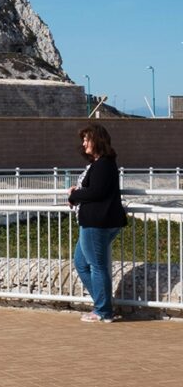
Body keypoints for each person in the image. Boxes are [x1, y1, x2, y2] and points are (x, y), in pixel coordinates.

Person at [67, 123, 127, 323]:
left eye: (87, 139)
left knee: (97, 266)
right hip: (95, 221)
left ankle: (103, 311)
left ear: (97, 140)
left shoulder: (103, 164)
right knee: (81, 262)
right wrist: (78, 193)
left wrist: (75, 195)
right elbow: (94, 189)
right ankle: (104, 305)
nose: (84, 144)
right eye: (83, 140)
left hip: (97, 223)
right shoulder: (101, 163)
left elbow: (97, 192)